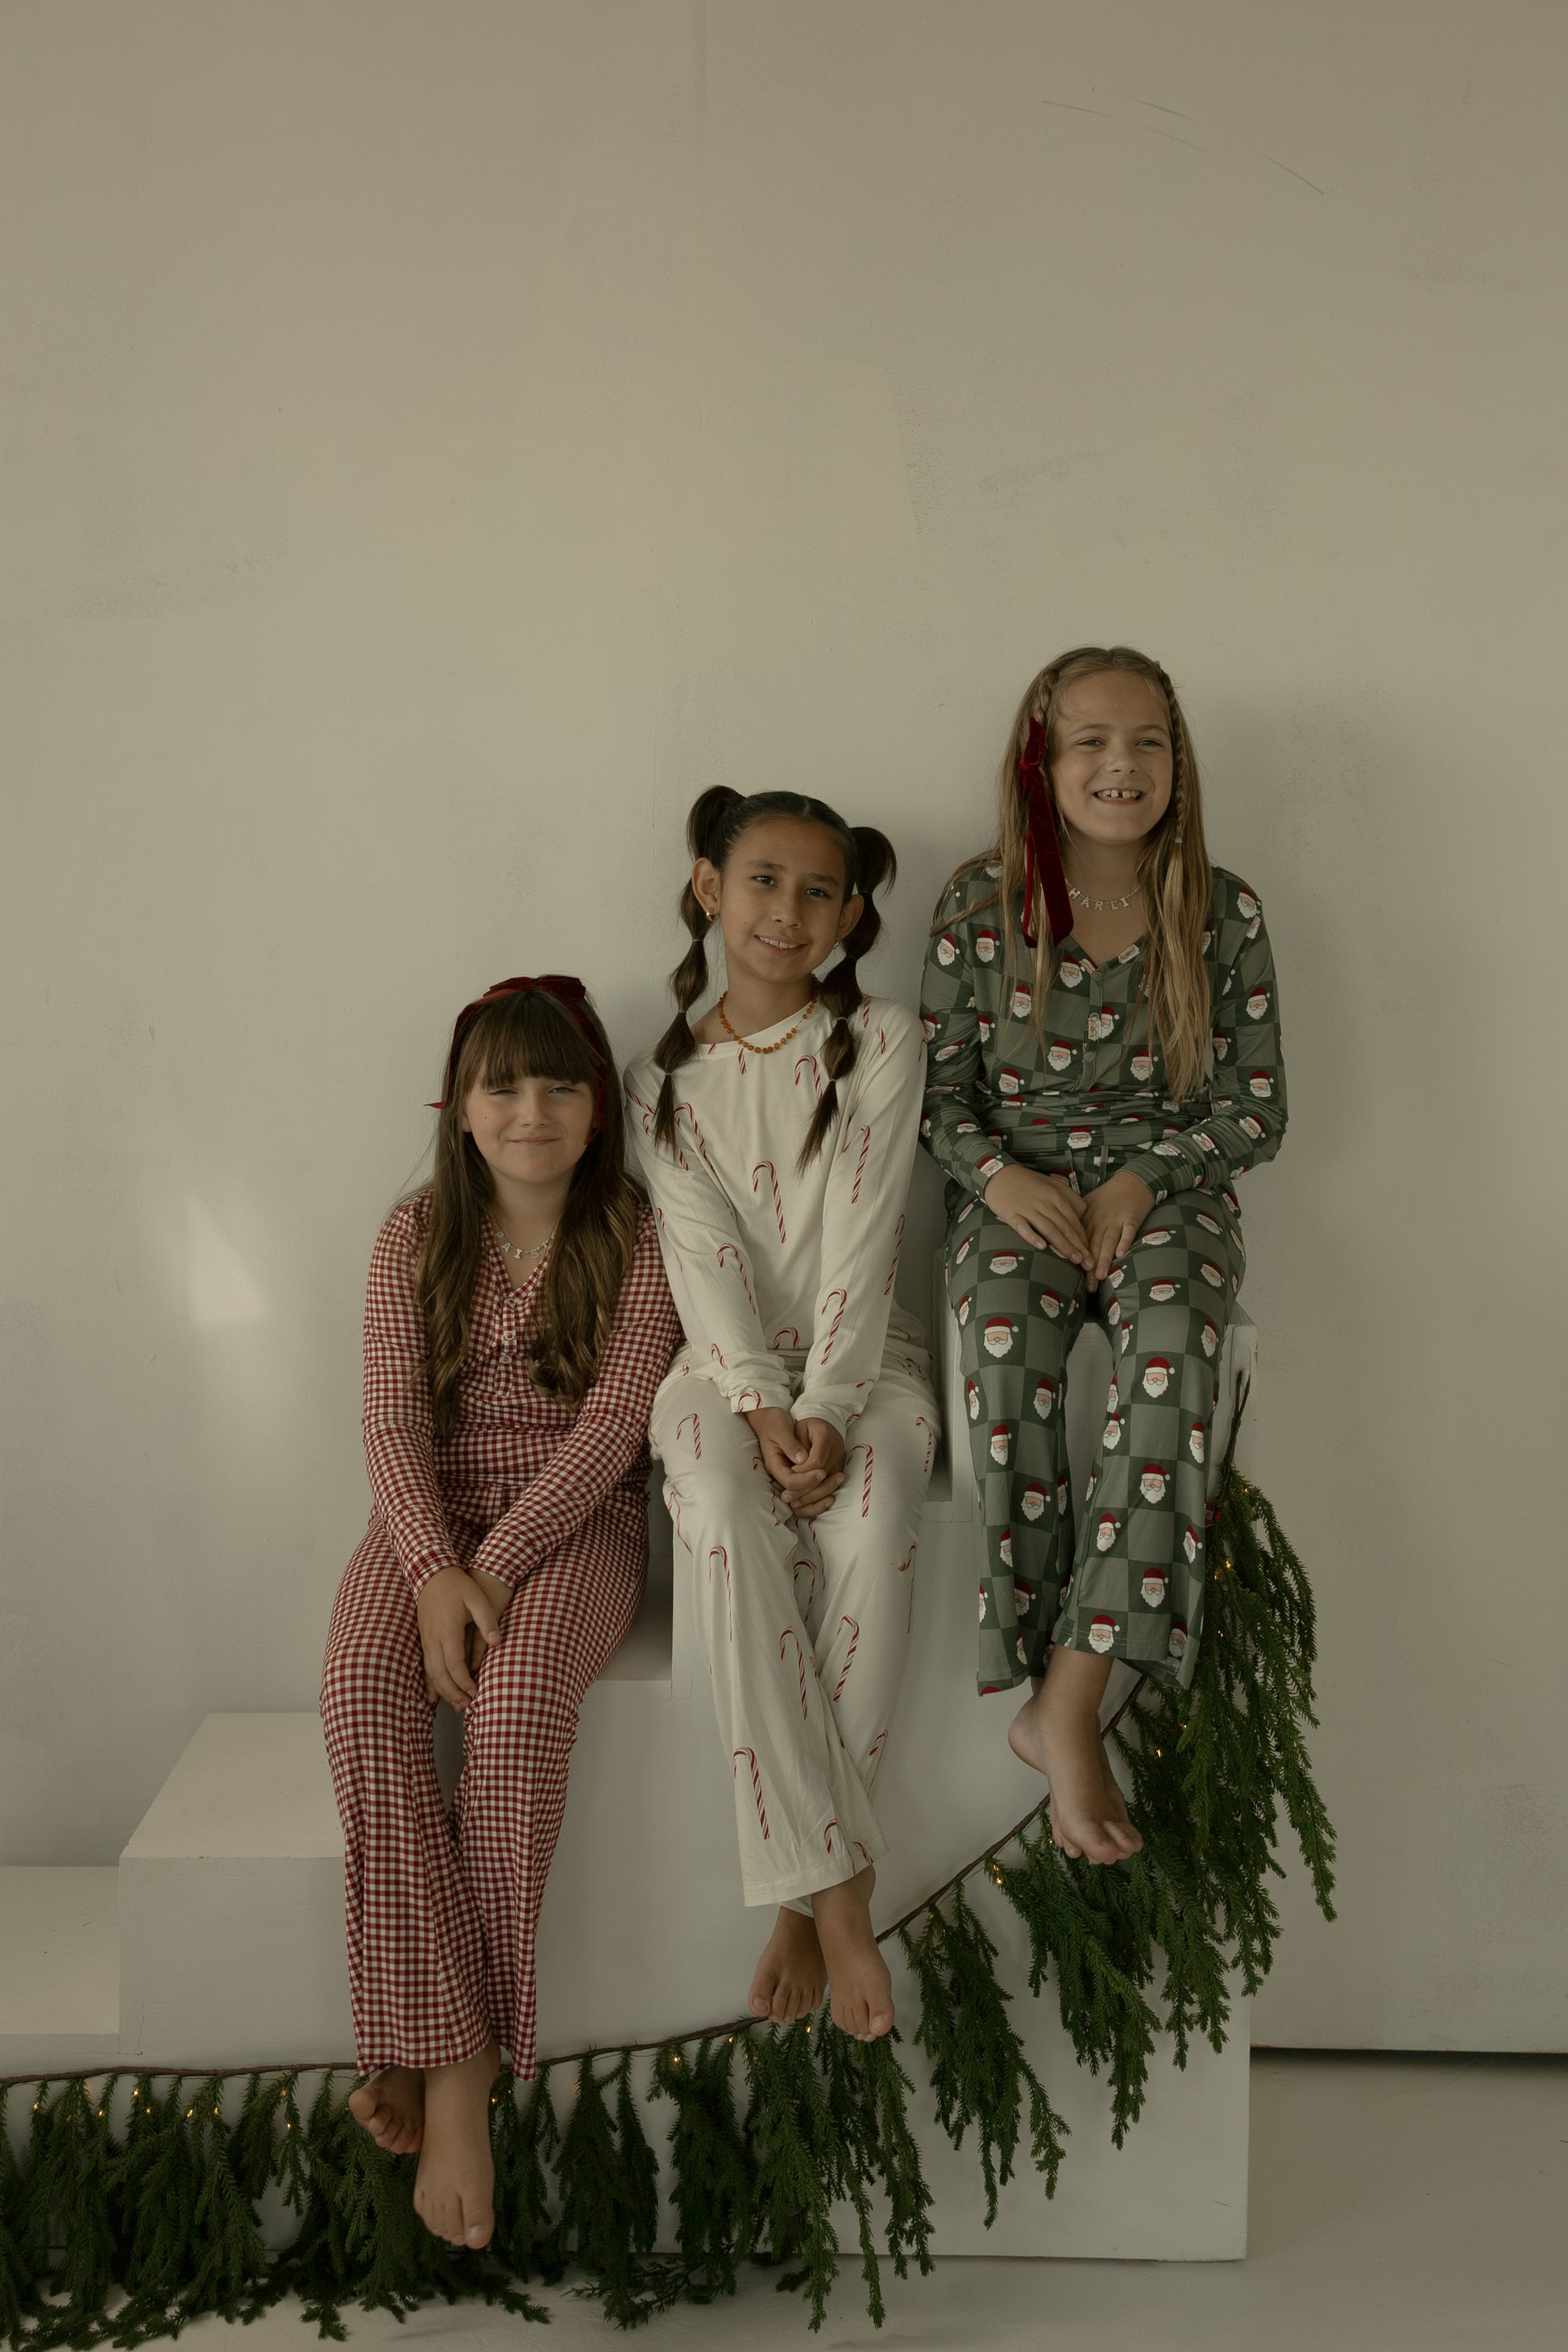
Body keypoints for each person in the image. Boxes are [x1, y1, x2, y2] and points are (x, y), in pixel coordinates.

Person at [320, 976, 682, 2254]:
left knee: (518, 1716)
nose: (532, 1110)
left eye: (560, 1084)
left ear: (597, 1107)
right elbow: (389, 1417)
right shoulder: (414, 1232)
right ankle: (436, 2035)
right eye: (503, 1085)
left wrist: (502, 1565)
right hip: (427, 1523)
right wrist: (430, 1567)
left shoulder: (637, 1232)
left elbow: (614, 1429)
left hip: (575, 1525)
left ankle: (458, 2085)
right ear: (460, 1108)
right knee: (365, 1697)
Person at [920, 645, 1287, 1867]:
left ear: (1176, 763)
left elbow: (1254, 1106)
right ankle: (1044, 1681)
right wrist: (998, 1179)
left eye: (1145, 744)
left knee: (1176, 1341)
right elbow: (936, 1097)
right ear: (1041, 757)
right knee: (1002, 1347)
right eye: (1090, 742)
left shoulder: (1219, 911)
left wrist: (1144, 1177)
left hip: (1165, 1183)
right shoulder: (979, 906)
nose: (1120, 767)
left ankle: (1068, 1696)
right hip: (1015, 1190)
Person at [625, 790, 937, 2046]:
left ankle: (802, 1900)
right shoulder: (663, 1082)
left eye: (817, 891)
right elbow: (700, 1258)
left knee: (872, 1527)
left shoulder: (887, 1040)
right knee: (716, 1513)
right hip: (720, 1374)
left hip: (870, 1366)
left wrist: (827, 1408)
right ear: (709, 888)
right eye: (760, 881)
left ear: (851, 915)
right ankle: (841, 1891)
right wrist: (757, 1411)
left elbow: (863, 1232)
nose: (785, 912)